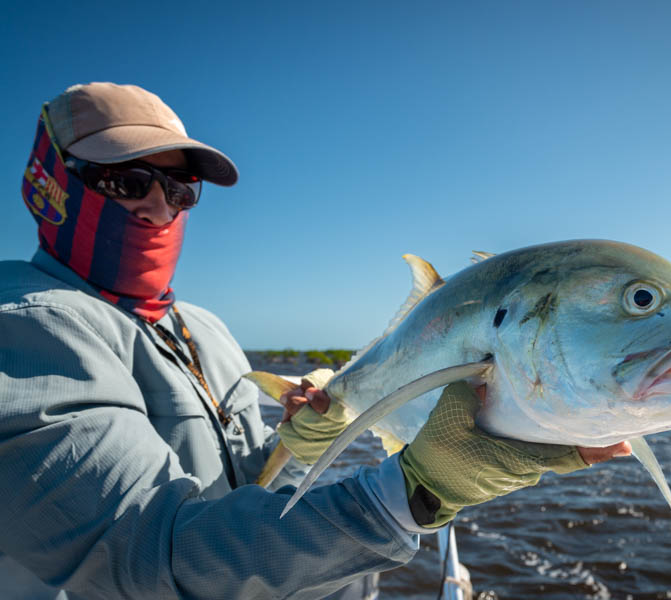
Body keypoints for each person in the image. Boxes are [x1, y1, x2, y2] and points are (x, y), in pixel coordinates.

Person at [0, 82, 630, 600]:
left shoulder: (205, 330)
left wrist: (298, 444)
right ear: (49, 182)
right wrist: (414, 492)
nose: (160, 210)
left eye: (178, 189)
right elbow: (145, 559)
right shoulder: (25, 324)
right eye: (126, 182)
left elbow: (238, 493)